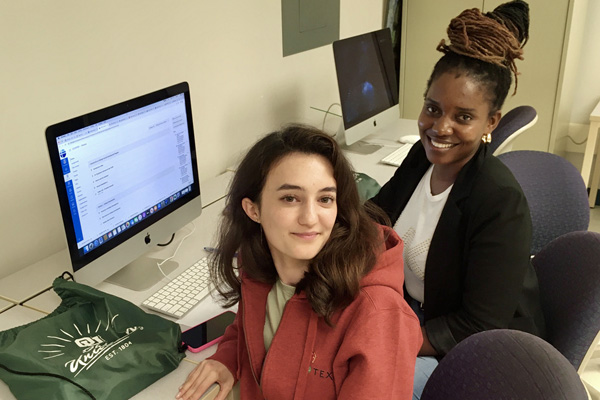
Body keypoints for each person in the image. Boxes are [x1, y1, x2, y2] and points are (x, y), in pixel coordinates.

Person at [369, 1, 545, 398]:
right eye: (432, 108)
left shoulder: (500, 202)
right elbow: (376, 216)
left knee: (373, 386)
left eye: (463, 116)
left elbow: (477, 326)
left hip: (478, 352)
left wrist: (390, 337)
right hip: (416, 316)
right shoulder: (422, 156)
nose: (439, 127)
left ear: (491, 123)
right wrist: (320, 213)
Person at [177, 125, 421, 400]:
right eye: (290, 198)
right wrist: (227, 359)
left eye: (325, 199)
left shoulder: (377, 313)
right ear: (253, 210)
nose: (310, 217)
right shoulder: (261, 261)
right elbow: (248, 330)